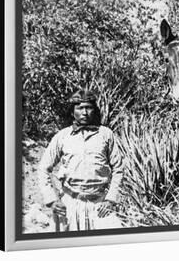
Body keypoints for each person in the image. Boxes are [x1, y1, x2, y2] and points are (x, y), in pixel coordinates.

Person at [38, 88, 124, 231]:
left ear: (94, 110)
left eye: (89, 108)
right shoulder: (62, 136)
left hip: (99, 204)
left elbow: (118, 169)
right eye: (80, 108)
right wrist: (52, 199)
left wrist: (110, 200)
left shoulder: (106, 134)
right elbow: (43, 169)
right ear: (72, 111)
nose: (84, 112)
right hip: (69, 203)